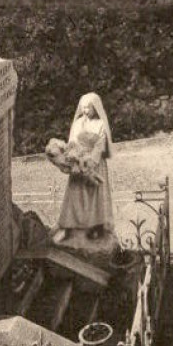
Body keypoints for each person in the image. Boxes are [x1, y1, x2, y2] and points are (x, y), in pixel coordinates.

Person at [56, 93, 114, 241]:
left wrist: (90, 162)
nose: (86, 110)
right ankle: (71, 226)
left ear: (95, 108)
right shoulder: (77, 123)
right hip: (78, 161)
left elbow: (100, 144)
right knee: (76, 193)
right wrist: (74, 156)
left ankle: (96, 226)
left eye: (89, 107)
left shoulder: (100, 124)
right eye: (83, 108)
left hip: (95, 163)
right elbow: (72, 142)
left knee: (95, 193)